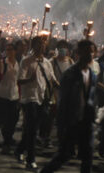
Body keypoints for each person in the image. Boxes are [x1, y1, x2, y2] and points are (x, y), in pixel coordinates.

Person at [41, 39, 96, 173]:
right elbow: (63, 102)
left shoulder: (92, 75)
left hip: (86, 122)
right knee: (65, 154)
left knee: (87, 157)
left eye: (92, 52)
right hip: (71, 121)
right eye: (87, 52)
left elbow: (91, 98)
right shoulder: (70, 74)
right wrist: (62, 125)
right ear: (79, 53)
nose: (90, 55)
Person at [15, 36, 58, 170]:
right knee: (32, 130)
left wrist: (60, 86)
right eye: (38, 44)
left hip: (42, 99)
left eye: (43, 44)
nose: (41, 46)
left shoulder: (47, 63)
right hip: (29, 99)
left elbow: (52, 79)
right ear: (33, 46)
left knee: (33, 128)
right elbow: (20, 80)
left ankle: (19, 149)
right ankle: (31, 160)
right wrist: (30, 79)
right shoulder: (26, 61)